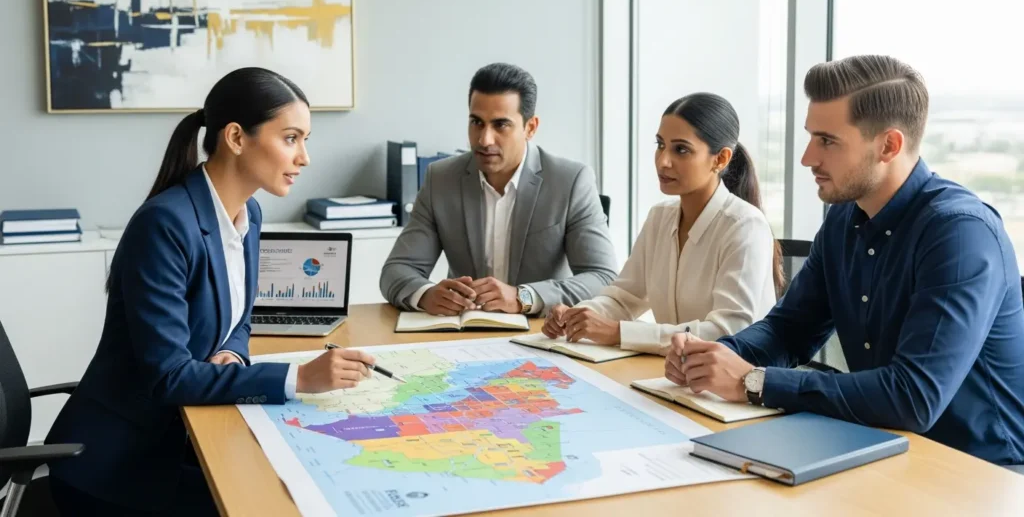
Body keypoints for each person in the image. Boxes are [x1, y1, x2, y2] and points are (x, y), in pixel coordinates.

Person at [44, 67, 379, 516]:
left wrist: (231, 355)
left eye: (305, 140)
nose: (304, 158)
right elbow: (169, 376)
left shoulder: (248, 213)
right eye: (291, 139)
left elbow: (240, 319)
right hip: (117, 468)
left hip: (177, 438)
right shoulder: (165, 225)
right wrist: (299, 378)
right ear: (236, 137)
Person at [666, 55, 1024, 468]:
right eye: (811, 137)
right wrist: (712, 356)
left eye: (827, 141)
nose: (807, 158)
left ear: (889, 146)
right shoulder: (843, 219)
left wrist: (754, 382)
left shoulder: (959, 234)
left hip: (981, 471)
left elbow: (913, 396)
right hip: (882, 445)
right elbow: (789, 330)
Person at [541, 93, 781, 354]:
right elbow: (624, 298)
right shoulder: (660, 217)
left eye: (681, 149)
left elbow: (728, 330)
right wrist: (577, 315)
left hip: (735, 376)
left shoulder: (745, 226)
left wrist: (618, 333)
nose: (663, 161)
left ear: (720, 159)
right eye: (660, 145)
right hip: (672, 371)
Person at [379, 62, 618, 316]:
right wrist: (426, 294)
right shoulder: (441, 179)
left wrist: (523, 297)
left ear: (530, 127)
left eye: (500, 125)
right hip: (463, 331)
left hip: (540, 330)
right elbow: (397, 270)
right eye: (476, 122)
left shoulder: (570, 182)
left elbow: (603, 278)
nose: (484, 140)